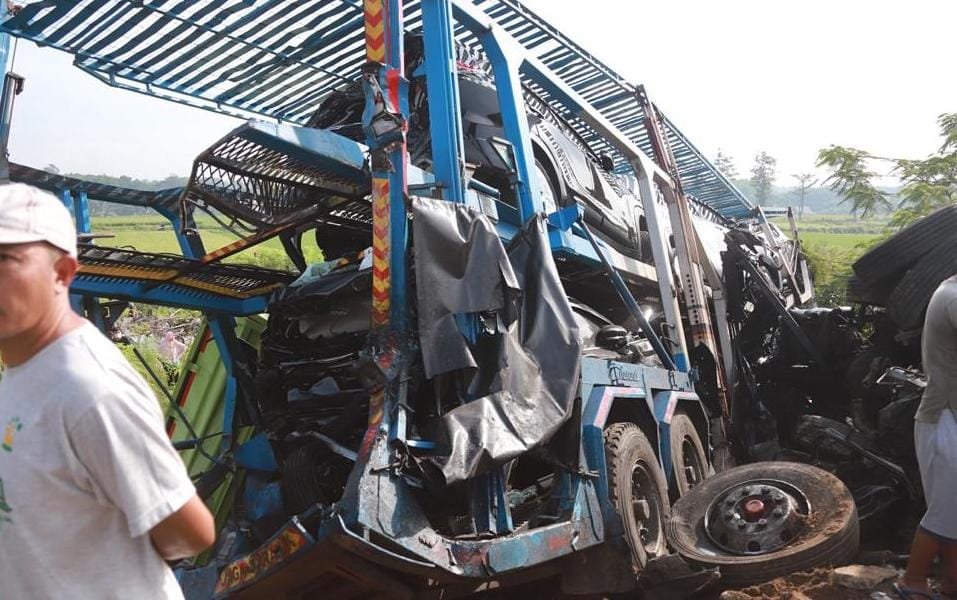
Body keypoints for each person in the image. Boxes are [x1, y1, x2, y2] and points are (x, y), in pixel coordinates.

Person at [0, 183, 215, 599]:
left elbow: (190, 531)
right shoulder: (25, 368)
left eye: (5, 260)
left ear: (61, 273)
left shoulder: (87, 389)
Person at [897, 274, 957, 600]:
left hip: (947, 417)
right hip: (943, 419)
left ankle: (950, 582)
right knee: (946, 510)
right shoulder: (953, 297)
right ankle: (913, 581)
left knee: (952, 509)